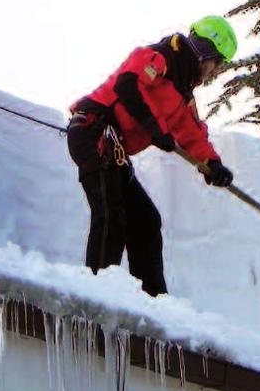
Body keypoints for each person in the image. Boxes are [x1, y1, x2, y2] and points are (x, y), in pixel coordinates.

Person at [66, 16, 237, 297]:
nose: (217, 71)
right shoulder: (159, 57)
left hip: (113, 146)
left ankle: (154, 304)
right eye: (218, 62)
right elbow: (128, 85)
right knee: (111, 213)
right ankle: (94, 294)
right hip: (93, 130)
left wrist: (213, 164)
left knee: (146, 221)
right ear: (205, 50)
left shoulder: (183, 94)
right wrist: (153, 127)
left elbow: (192, 133)